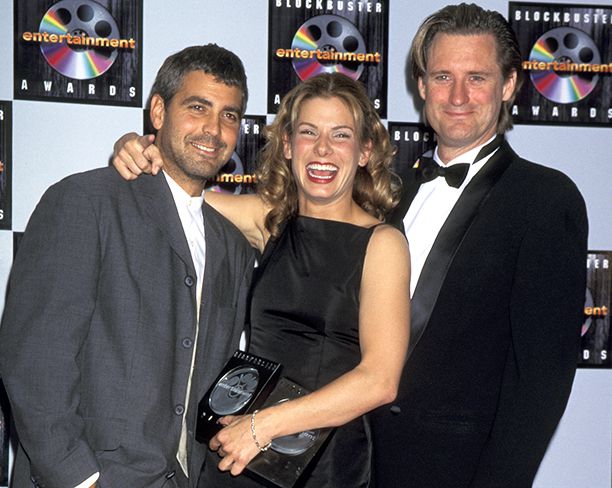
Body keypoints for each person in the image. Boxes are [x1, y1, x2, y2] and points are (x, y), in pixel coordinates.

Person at [112, 72, 410, 487]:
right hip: (240, 451)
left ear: (364, 151)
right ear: (288, 145)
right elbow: (174, 190)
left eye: (340, 135)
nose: (322, 149)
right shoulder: (269, 221)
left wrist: (262, 427)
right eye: (308, 132)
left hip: (318, 460)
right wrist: (138, 148)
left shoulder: (383, 243)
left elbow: (379, 380)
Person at [0, 44, 256, 488]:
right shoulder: (86, 202)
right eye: (197, 107)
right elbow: (36, 362)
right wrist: (80, 478)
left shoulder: (232, 246)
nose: (213, 129)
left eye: (229, 115)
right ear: (158, 111)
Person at [370, 4, 588, 488]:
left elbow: (541, 381)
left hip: (459, 472)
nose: (458, 96)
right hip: (358, 466)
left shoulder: (545, 199)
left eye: (478, 78)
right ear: (422, 86)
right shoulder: (386, 193)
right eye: (443, 76)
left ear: (509, 85)